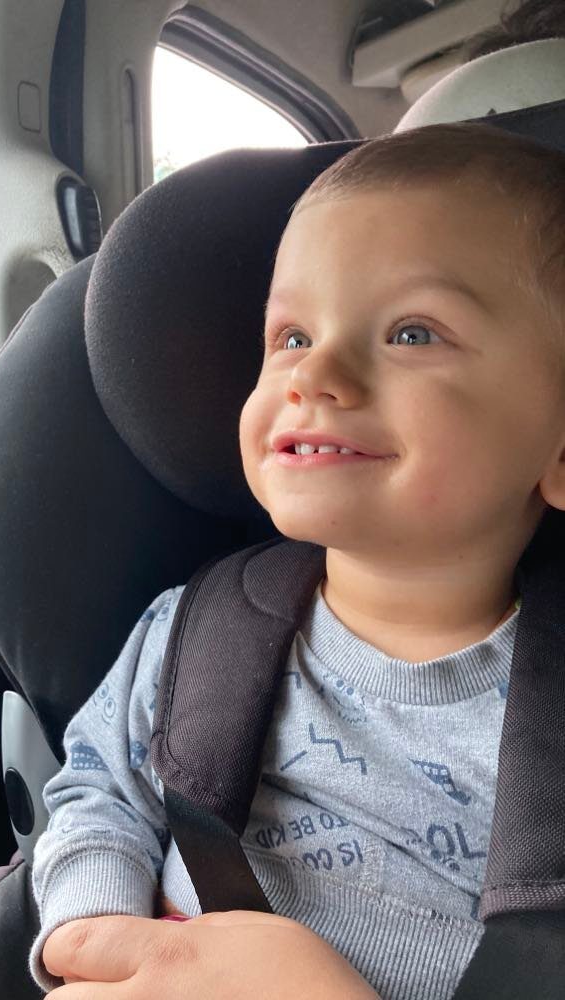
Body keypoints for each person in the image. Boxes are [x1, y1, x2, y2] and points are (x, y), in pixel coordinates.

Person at [30, 121, 565, 1000]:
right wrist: (94, 933)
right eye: (291, 337)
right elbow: (98, 793)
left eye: (413, 333)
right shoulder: (193, 631)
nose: (313, 376)